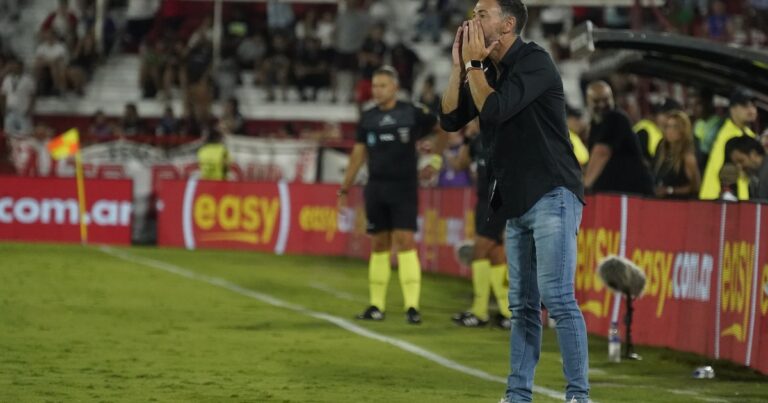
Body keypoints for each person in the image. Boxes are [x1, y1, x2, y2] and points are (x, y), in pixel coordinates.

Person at [439, 1, 589, 401]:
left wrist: (473, 68)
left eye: (481, 14)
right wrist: (459, 66)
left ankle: (578, 395)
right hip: (516, 199)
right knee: (521, 306)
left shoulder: (534, 61)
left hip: (552, 192)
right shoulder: (486, 68)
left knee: (556, 297)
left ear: (507, 24)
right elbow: (450, 119)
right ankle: (517, 394)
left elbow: (495, 110)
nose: (473, 20)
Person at [338, 66, 444, 325]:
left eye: (382, 86)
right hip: (375, 187)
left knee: (405, 241)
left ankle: (412, 306)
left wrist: (436, 161)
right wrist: (344, 188)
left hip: (404, 187)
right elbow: (358, 155)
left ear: (395, 87)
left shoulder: (412, 112)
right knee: (378, 244)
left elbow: (444, 129)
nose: (377, 91)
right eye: (374, 86)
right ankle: (376, 305)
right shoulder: (368, 117)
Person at [450, 118, 511, 329]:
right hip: (483, 202)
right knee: (495, 256)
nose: (474, 121)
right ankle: (506, 313)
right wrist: (466, 139)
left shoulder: (506, 139)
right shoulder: (477, 141)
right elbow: (460, 165)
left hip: (499, 203)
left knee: (479, 253)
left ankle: (479, 311)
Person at [583, 81, 654, 196]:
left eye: (605, 100)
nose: (601, 104)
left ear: (612, 98)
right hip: (617, 193)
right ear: (588, 101)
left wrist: (584, 185)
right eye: (596, 101)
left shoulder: (616, 118)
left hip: (631, 193)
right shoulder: (595, 124)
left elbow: (602, 152)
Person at [700, 88, 758, 200]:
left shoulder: (748, 134)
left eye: (753, 105)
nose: (751, 110)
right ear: (733, 109)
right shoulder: (724, 135)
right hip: (719, 202)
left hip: (741, 201)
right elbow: (716, 171)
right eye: (745, 106)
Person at [652, 110, 701, 199]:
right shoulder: (662, 151)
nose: (669, 131)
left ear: (683, 130)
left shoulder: (687, 156)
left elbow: (695, 187)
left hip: (680, 205)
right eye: (667, 126)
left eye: (675, 127)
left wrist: (670, 190)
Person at [633, 97, 681, 165]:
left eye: (667, 115)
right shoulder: (644, 131)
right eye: (659, 114)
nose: (663, 119)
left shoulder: (677, 135)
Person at [725, 135, 768, 201]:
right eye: (735, 164)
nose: (739, 167)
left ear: (754, 154)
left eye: (741, 161)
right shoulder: (753, 176)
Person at [1, 59, 36, 138]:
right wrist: (3, 110)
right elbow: (3, 95)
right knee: (8, 134)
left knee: (25, 133)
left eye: (18, 66)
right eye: (14, 66)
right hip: (10, 110)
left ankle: (24, 149)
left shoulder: (28, 80)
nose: (16, 68)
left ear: (22, 67)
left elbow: (33, 96)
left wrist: (30, 109)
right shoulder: (7, 79)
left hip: (23, 110)